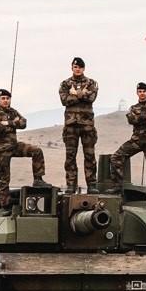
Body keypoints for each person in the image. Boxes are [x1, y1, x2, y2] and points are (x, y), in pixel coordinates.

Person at [0, 88, 46, 189]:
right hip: (2, 150)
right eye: (3, 98)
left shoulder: (13, 111)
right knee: (4, 181)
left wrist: (7, 122)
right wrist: (15, 123)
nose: (6, 100)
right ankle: (4, 203)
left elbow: (23, 123)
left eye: (7, 98)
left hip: (14, 146)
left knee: (36, 151)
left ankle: (38, 180)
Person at [111, 83, 146, 195]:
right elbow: (131, 120)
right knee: (116, 157)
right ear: (137, 93)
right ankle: (117, 187)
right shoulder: (133, 108)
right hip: (136, 141)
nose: (142, 93)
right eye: (140, 91)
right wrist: (145, 117)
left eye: (144, 91)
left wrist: (139, 118)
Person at [60, 57, 100, 194]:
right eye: (75, 67)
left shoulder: (91, 83)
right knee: (70, 157)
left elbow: (91, 97)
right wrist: (82, 94)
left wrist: (75, 94)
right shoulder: (65, 84)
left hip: (87, 126)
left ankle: (92, 184)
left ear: (84, 68)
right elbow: (64, 100)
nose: (77, 69)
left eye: (80, 67)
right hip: (71, 125)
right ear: (72, 68)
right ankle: (71, 185)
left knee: (89, 156)